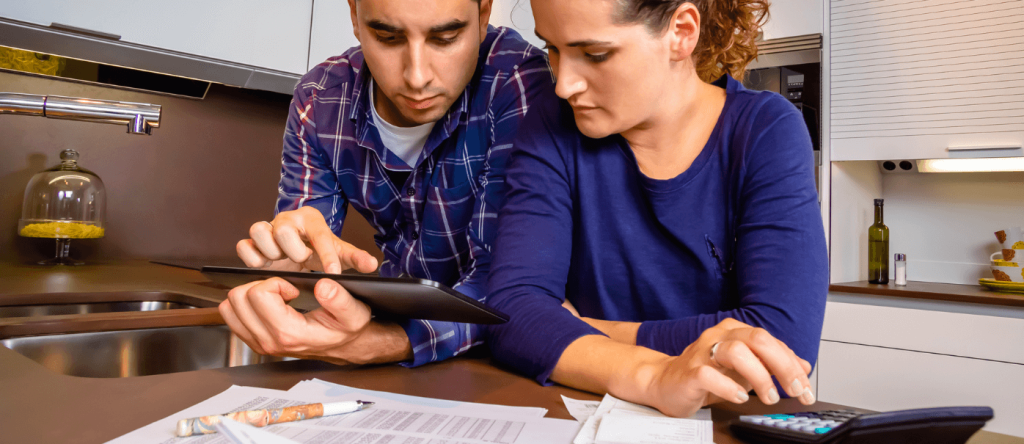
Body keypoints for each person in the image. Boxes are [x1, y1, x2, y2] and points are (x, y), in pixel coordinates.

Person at [484, 0, 829, 417]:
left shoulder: (765, 131)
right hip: (575, 416)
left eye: (595, 55)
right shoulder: (551, 123)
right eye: (552, 50)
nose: (564, 84)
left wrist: (580, 331)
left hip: (718, 423)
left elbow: (780, 345)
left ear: (681, 32)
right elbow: (511, 313)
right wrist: (654, 377)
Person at [219, 0, 551, 367]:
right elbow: (303, 251)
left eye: (445, 38)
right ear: (354, 17)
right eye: (388, 37)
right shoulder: (319, 100)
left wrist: (381, 343)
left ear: (484, 14)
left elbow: (508, 286)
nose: (417, 76)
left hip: (501, 359)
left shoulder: (521, 83)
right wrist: (289, 265)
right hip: (397, 344)